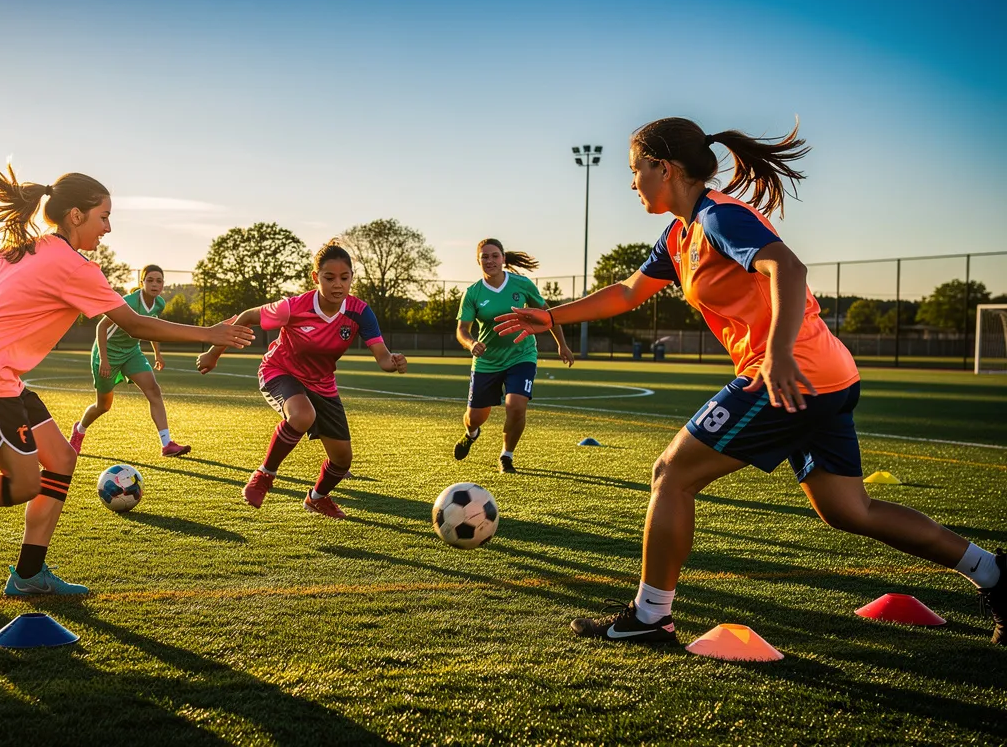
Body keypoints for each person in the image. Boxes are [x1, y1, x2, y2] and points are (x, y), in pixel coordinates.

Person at [496, 117, 1005, 644]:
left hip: (789, 373)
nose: (631, 183)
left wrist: (779, 354)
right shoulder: (679, 233)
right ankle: (995, 573)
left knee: (671, 474)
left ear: (663, 168)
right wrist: (552, 316)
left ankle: (650, 618)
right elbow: (627, 292)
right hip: (826, 374)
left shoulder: (718, 216)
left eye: (635, 170)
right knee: (850, 509)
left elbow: (789, 268)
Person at [0, 163, 252, 595]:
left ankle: (30, 573)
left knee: (61, 461)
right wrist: (210, 333)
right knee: (23, 483)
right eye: (103, 217)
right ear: (76, 215)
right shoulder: (77, 268)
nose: (108, 228)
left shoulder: (22, 248)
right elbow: (137, 325)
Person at [195, 240, 407, 519]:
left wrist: (392, 363)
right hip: (280, 371)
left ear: (352, 278)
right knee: (302, 414)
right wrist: (213, 353)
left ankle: (317, 498)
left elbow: (382, 356)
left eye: (345, 278)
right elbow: (247, 316)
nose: (337, 285)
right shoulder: (293, 308)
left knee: (342, 460)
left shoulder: (360, 312)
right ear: (315, 277)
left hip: (322, 383)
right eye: (329, 278)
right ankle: (264, 475)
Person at [454, 238, 573, 473]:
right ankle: (471, 433)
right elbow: (462, 330)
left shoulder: (522, 284)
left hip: (522, 355)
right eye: (485, 257)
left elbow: (548, 315)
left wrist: (562, 345)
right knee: (476, 417)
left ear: (503, 259)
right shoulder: (472, 293)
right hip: (487, 361)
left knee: (516, 405)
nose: (490, 261)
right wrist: (471, 343)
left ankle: (506, 456)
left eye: (495, 256)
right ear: (478, 261)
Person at [68, 264, 190, 457]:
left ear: (163, 284)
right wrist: (105, 361)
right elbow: (101, 327)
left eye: (159, 281)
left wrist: (157, 353)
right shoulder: (128, 302)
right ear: (142, 282)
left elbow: (152, 327)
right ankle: (79, 431)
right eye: (150, 280)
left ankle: (167, 444)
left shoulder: (159, 303)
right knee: (103, 406)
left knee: (154, 391)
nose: (154, 284)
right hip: (107, 353)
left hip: (132, 352)